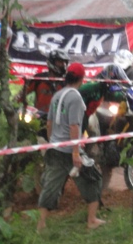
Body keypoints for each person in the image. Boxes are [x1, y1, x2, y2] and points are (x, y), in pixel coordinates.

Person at [37, 63, 105, 231]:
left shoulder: (57, 95)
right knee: (94, 179)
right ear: (82, 79)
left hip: (56, 148)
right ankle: (91, 220)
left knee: (50, 187)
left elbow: (49, 123)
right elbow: (74, 126)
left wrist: (52, 142)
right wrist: (75, 152)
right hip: (69, 150)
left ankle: (41, 224)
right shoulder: (75, 97)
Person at [19, 49, 69, 115]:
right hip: (40, 116)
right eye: (60, 62)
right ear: (52, 62)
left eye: (64, 63)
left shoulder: (67, 81)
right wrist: (15, 106)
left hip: (60, 117)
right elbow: (21, 95)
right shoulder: (38, 79)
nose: (62, 65)